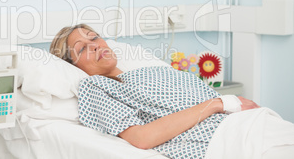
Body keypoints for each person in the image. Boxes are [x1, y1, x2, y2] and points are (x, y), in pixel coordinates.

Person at [49, 24, 293, 159]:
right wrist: (219, 103)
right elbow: (141, 138)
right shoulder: (96, 87)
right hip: (218, 141)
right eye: (82, 48)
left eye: (95, 38)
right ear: (73, 66)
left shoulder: (152, 70)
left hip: (251, 125)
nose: (95, 45)